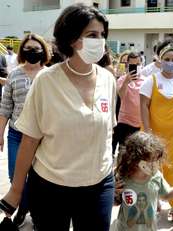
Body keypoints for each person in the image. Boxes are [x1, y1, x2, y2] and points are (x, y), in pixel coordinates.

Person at [0, 4, 116, 231]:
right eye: (92, 35)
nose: (100, 41)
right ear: (72, 38)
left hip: (99, 185)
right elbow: (30, 140)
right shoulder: (46, 81)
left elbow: (107, 135)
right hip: (51, 187)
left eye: (102, 35)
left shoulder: (108, 80)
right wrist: (16, 190)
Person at [140, 38, 173, 223]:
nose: (170, 62)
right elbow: (144, 107)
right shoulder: (150, 81)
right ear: (160, 60)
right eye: (167, 59)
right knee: (152, 172)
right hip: (154, 137)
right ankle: (152, 206)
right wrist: (147, 134)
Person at [0, 33, 51, 228]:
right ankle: (22, 207)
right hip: (16, 134)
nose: (32, 53)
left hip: (42, 137)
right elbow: (5, 106)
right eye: (28, 49)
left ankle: (25, 210)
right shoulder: (14, 74)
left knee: (39, 178)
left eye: (36, 49)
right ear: (22, 52)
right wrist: (0, 134)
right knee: (16, 176)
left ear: (43, 52)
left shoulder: (49, 76)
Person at [115, 131, 173, 231]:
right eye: (150, 160)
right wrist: (113, 193)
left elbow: (166, 195)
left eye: (156, 160)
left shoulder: (156, 176)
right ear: (134, 159)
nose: (154, 165)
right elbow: (115, 202)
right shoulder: (123, 177)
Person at [115, 52, 146, 156]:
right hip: (125, 122)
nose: (135, 67)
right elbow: (121, 96)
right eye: (132, 65)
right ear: (127, 65)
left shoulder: (146, 81)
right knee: (123, 153)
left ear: (141, 64)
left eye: (137, 64)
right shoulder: (122, 80)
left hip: (140, 123)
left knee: (137, 155)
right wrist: (126, 82)